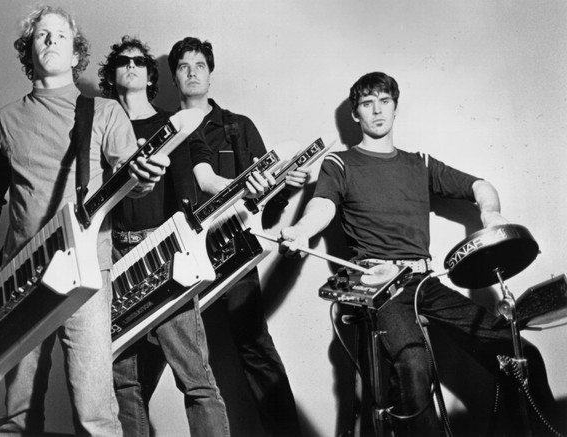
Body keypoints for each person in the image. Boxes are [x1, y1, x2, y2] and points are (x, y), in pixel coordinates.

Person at [277, 71, 558, 436]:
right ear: (355, 114)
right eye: (367, 104)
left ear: (395, 108)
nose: (377, 110)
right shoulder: (340, 163)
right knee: (413, 363)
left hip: (424, 282)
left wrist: (490, 213)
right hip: (380, 287)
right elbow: (323, 206)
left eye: (385, 102)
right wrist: (300, 231)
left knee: (521, 351)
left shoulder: (419, 163)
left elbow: (480, 185)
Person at [0, 7, 170, 436]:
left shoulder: (105, 112)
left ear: (76, 55)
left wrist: (144, 179)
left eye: (60, 35)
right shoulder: (3, 121)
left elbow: (130, 176)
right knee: (18, 414)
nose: (51, 40)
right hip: (22, 276)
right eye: (42, 34)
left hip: (87, 270)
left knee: (96, 413)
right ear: (28, 51)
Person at [167, 36, 310, 437]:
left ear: (210, 74)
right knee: (168, 352)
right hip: (179, 258)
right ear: (174, 77)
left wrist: (286, 185)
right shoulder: (166, 131)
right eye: (183, 66)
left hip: (234, 254)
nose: (192, 72)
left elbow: (268, 203)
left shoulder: (238, 127)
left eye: (199, 65)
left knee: (254, 347)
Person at [97, 35, 230, 437]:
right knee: (123, 382)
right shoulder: (99, 130)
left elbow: (206, 178)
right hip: (113, 256)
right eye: (123, 61)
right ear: (111, 75)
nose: (131, 66)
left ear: (152, 76)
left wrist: (249, 186)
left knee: (195, 377)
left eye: (140, 61)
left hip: (164, 251)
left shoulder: (178, 124)